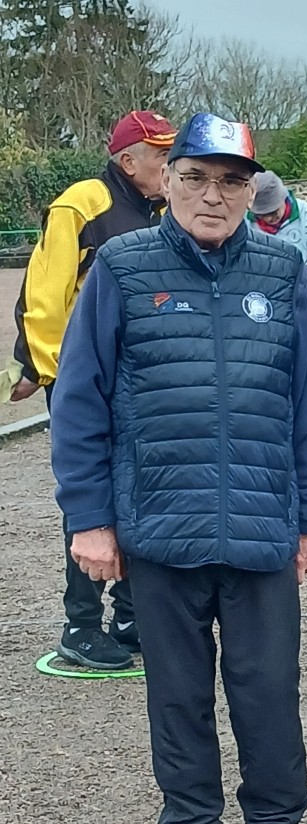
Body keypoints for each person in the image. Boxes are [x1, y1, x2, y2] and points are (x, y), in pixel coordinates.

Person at [49, 112, 307, 824]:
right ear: (167, 181)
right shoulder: (122, 266)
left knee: (269, 689)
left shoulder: (283, 270)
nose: (212, 195)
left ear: (251, 191)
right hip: (159, 525)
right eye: (195, 178)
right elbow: (80, 400)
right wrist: (89, 517)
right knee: (178, 696)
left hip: (260, 525)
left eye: (230, 181)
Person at [10, 110, 177, 670]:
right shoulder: (82, 203)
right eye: (162, 155)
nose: (171, 165)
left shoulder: (164, 210)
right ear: (128, 161)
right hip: (85, 379)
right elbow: (44, 293)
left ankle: (129, 617)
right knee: (92, 498)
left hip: (142, 381)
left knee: (140, 490)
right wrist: (52, 372)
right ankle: (80, 627)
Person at [249, 171, 307, 259]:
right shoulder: (243, 220)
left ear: (283, 197)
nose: (268, 219)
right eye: (261, 215)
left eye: (273, 212)